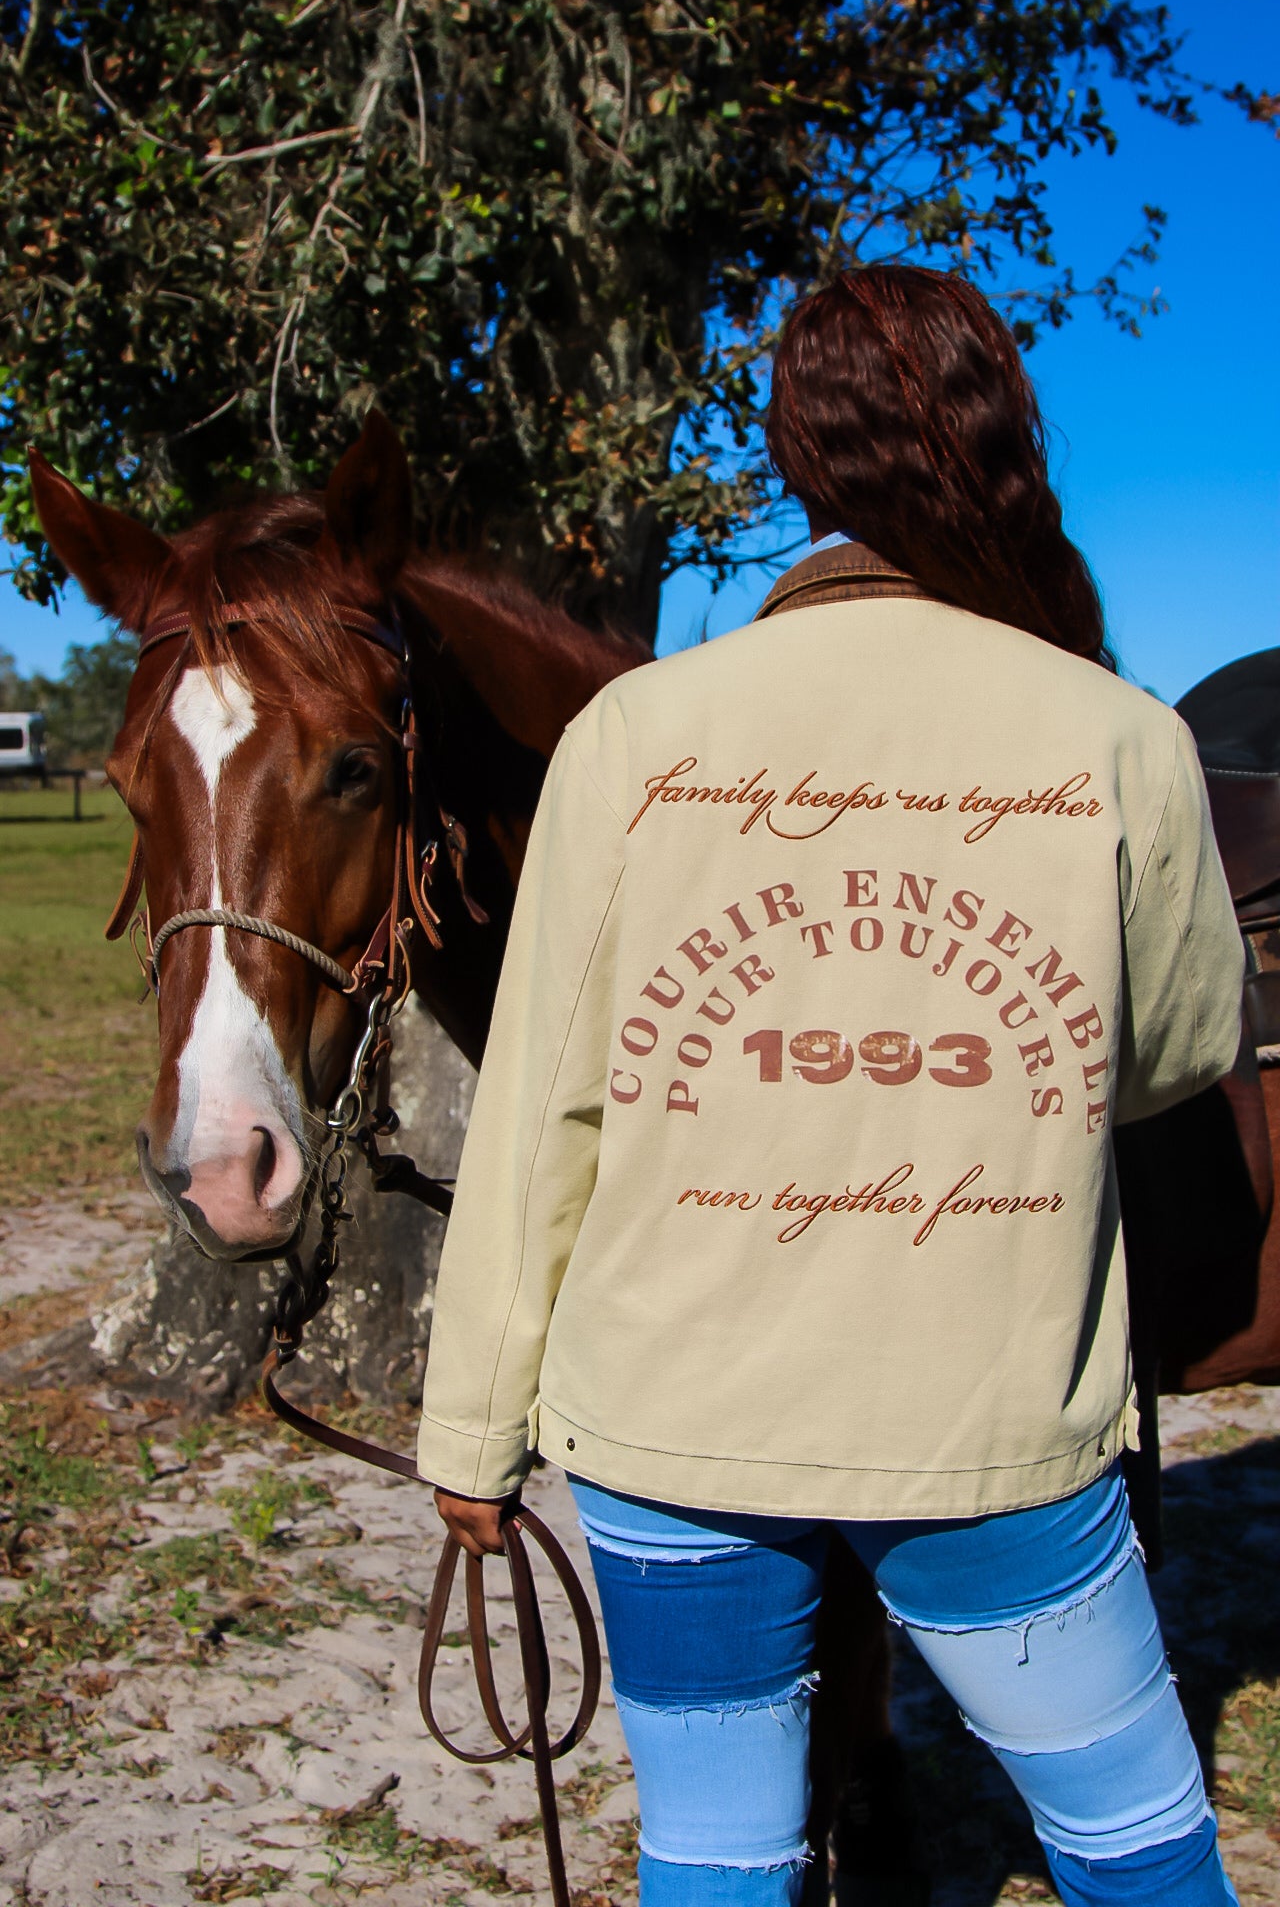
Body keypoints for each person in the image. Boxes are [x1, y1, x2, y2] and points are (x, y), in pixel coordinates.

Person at [416, 265, 1245, 1907]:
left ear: (794, 460)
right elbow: (1179, 1052)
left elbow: (538, 1116)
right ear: (1002, 442)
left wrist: (471, 1433)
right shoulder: (1118, 736)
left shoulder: (637, 737)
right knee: (1138, 1849)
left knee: (717, 1859)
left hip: (671, 1428)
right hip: (985, 1430)